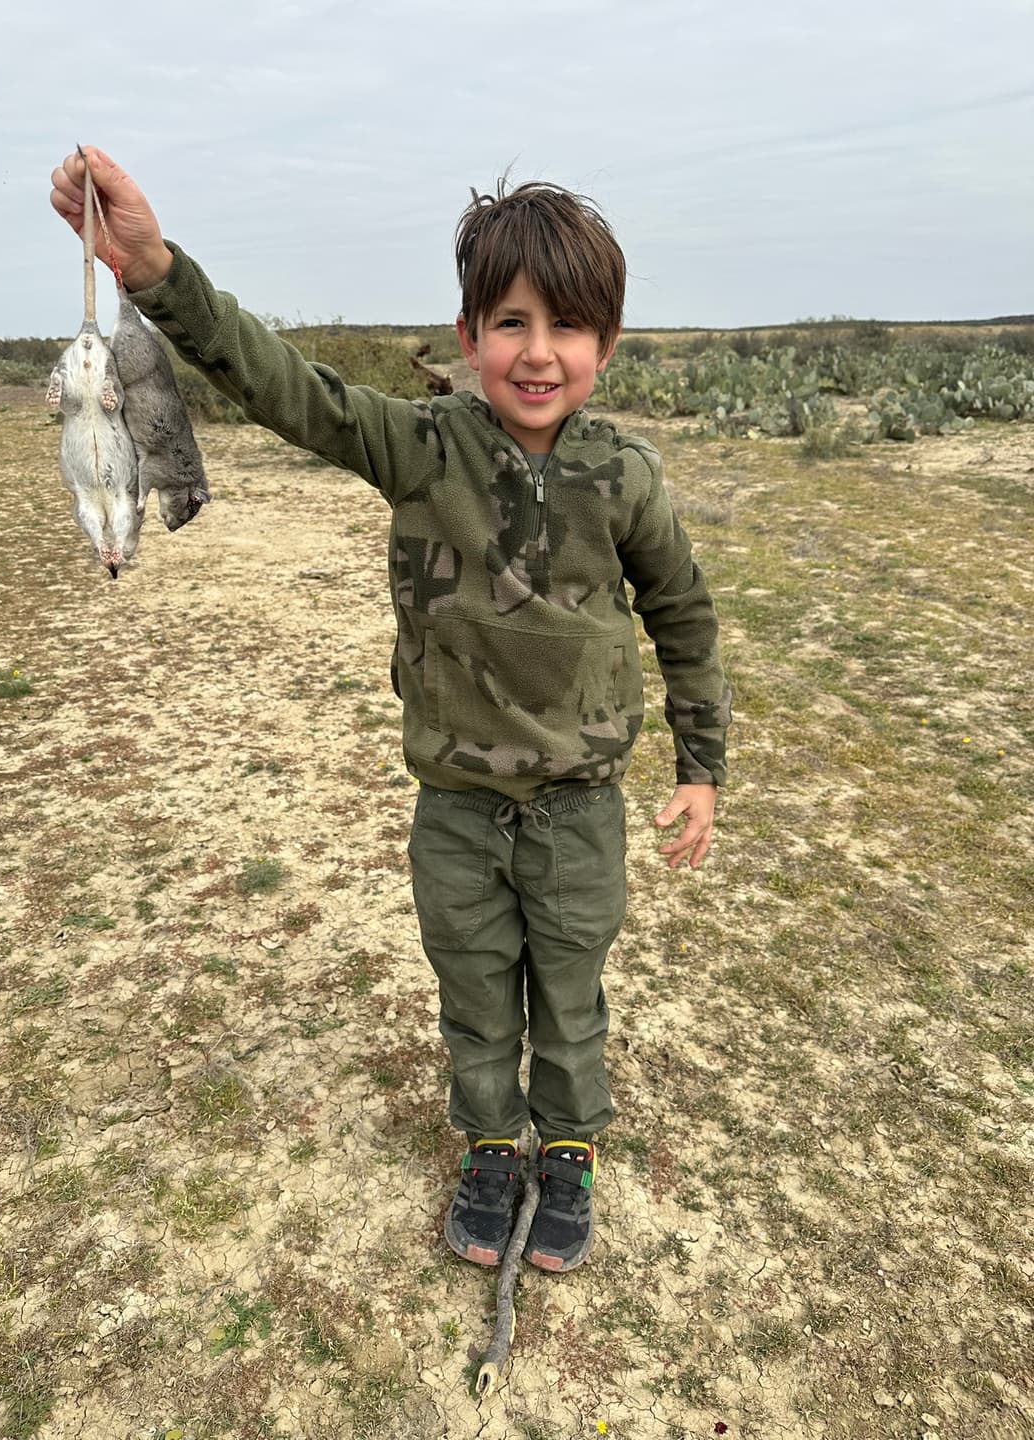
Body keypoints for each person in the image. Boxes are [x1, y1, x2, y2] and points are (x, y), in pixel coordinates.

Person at [50, 149, 732, 1274]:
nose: (538, 351)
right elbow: (279, 383)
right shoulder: (418, 448)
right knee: (474, 998)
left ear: (605, 347)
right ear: (467, 338)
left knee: (568, 995)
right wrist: (156, 269)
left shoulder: (629, 480)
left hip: (578, 813)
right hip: (458, 810)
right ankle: (491, 1148)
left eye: (568, 328)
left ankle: (566, 1153)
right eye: (510, 322)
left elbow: (686, 618)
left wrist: (699, 767)